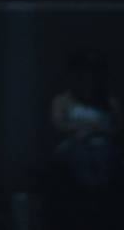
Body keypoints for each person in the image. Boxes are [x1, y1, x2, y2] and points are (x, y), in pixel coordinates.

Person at [51, 50, 122, 189]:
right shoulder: (62, 101)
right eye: (82, 74)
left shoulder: (111, 102)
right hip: (74, 148)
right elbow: (58, 124)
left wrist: (99, 130)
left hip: (105, 150)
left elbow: (118, 127)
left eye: (93, 73)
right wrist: (83, 129)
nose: (88, 78)